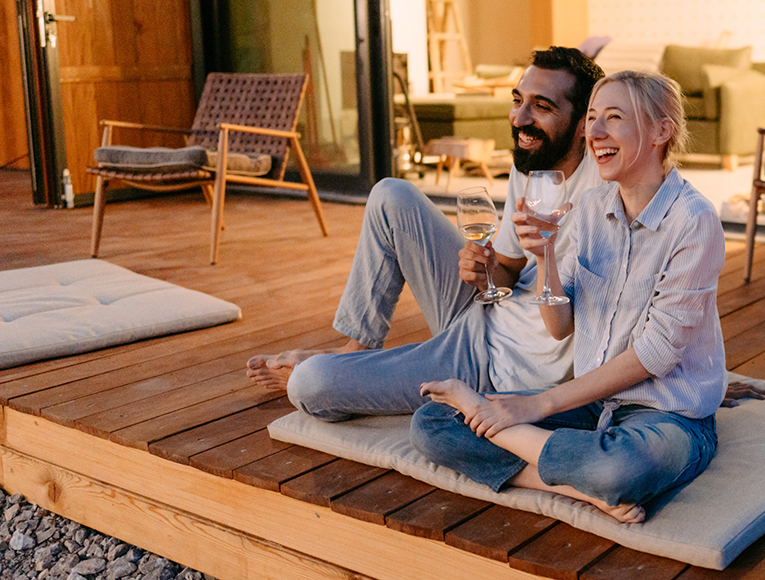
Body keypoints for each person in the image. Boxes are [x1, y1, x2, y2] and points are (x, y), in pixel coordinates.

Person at [411, 70, 730, 524]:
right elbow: (561, 324)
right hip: (594, 405)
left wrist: (535, 405)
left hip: (666, 415)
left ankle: (589, 474)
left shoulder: (694, 221)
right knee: (431, 424)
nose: (593, 132)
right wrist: (544, 259)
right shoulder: (592, 210)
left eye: (613, 118)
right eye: (593, 118)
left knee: (622, 466)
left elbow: (656, 354)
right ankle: (588, 490)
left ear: (662, 130)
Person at [246, 47, 607, 419]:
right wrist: (483, 270)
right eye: (518, 100)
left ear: (584, 124)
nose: (520, 118)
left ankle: (367, 369)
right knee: (391, 194)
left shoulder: (608, 186)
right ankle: (357, 348)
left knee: (310, 383)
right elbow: (508, 271)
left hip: (493, 364)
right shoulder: (532, 160)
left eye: (542, 106)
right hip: (484, 310)